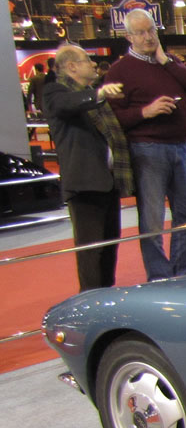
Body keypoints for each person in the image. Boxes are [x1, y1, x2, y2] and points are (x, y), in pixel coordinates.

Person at [105, 8, 186, 281]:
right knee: (152, 219)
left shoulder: (169, 62)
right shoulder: (119, 71)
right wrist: (145, 112)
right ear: (129, 37)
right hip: (147, 150)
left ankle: (183, 273)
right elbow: (112, 119)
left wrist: (166, 61)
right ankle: (159, 276)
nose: (148, 37)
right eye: (141, 33)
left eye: (151, 30)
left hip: (180, 147)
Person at [42, 45, 131, 291]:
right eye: (86, 60)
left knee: (109, 246)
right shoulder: (55, 92)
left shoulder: (91, 94)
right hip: (84, 184)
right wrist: (99, 94)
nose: (92, 64)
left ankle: (105, 294)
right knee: (91, 251)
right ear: (71, 66)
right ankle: (90, 298)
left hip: (108, 181)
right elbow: (66, 104)